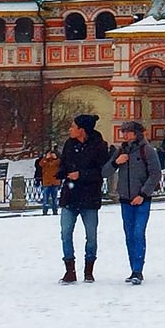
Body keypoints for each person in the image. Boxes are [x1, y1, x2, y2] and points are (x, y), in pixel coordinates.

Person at [57, 113, 110, 283]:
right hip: (70, 196)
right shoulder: (69, 145)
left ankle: (89, 269)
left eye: (73, 126)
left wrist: (81, 175)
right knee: (66, 233)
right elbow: (63, 165)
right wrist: (61, 173)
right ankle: (69, 270)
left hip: (89, 197)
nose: (70, 130)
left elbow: (101, 172)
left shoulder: (98, 146)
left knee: (91, 235)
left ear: (82, 130)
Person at [106, 120, 161, 284]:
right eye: (123, 132)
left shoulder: (147, 150)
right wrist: (116, 162)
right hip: (125, 199)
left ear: (136, 133)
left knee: (138, 233)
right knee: (129, 235)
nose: (124, 135)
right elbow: (105, 171)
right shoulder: (121, 151)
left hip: (141, 199)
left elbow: (155, 174)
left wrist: (143, 194)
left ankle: (138, 269)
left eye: (128, 132)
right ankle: (133, 269)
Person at [37, 148, 61, 215]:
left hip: (54, 182)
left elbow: (60, 163)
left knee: (54, 198)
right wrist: (45, 158)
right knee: (45, 199)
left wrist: (55, 158)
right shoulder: (45, 161)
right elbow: (40, 164)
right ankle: (45, 211)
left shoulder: (57, 161)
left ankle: (55, 210)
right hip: (46, 182)